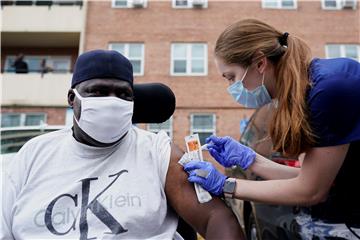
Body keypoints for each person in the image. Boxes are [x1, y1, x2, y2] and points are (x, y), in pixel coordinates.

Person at [1, 50, 244, 240]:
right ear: (72, 99)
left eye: (123, 94)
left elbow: (216, 218)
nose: (112, 102)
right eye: (98, 92)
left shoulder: (156, 150)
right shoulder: (34, 153)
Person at [183, 19, 360, 239]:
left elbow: (312, 191)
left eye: (231, 77)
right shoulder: (304, 94)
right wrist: (251, 160)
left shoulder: (329, 89)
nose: (232, 88)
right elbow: (312, 179)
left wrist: (225, 186)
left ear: (260, 63)